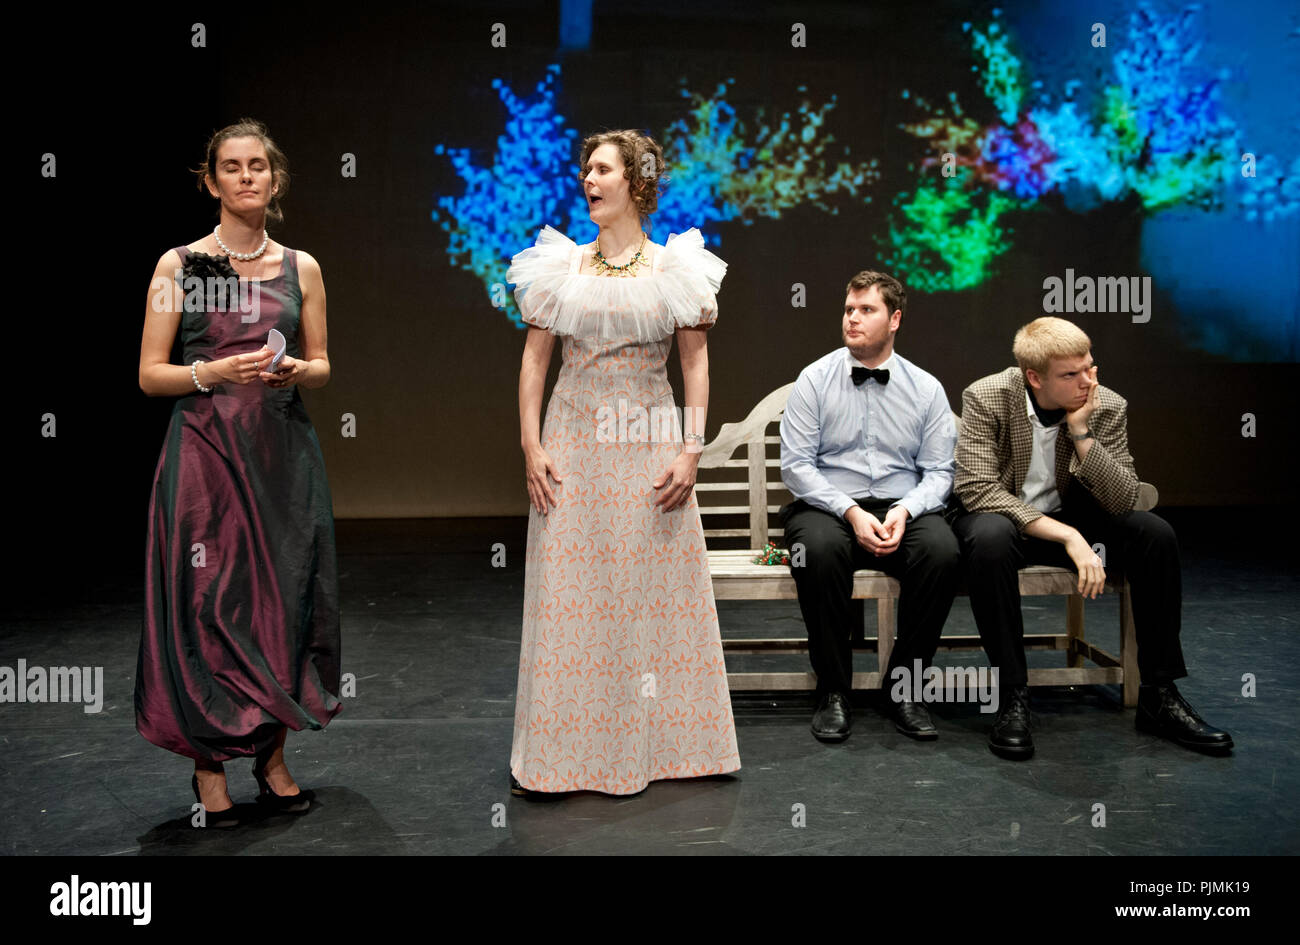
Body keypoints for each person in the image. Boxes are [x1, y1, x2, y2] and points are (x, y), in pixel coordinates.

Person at [509, 129, 741, 796]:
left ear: (636, 184)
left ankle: (668, 746)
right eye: (586, 169)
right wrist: (531, 442)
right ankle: (565, 754)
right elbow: (534, 361)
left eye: (603, 168)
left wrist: (690, 450)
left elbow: (694, 362)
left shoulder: (676, 266)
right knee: (570, 594)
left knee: (651, 593)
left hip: (648, 439)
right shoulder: (562, 266)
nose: (589, 179)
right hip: (574, 440)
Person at [136, 119, 341, 825]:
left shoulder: (300, 266)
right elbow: (149, 375)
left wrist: (297, 370)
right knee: (206, 604)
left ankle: (273, 756)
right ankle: (208, 765)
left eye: (259, 166)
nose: (247, 176)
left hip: (282, 455)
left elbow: (322, 365)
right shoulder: (181, 266)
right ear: (212, 179)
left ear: (275, 180)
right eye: (232, 166)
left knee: (282, 602)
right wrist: (211, 370)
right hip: (204, 457)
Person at [952, 316, 1233, 759]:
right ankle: (1012, 696)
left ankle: (1158, 693)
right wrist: (1069, 538)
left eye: (1090, 367)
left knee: (1153, 534)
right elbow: (977, 489)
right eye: (1071, 374)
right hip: (1004, 521)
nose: (1087, 381)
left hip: (1075, 519)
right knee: (988, 537)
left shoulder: (1105, 405)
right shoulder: (988, 396)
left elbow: (1124, 500)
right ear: (1034, 377)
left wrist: (1081, 432)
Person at [779, 271, 961, 743]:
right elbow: (797, 467)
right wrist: (851, 512)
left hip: (902, 507)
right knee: (817, 551)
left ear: (895, 319)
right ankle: (834, 690)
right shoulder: (815, 380)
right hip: (829, 507)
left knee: (942, 551)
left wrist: (904, 511)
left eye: (867, 310)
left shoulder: (926, 389)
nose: (853, 319)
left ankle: (904, 686)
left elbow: (940, 472)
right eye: (848, 310)